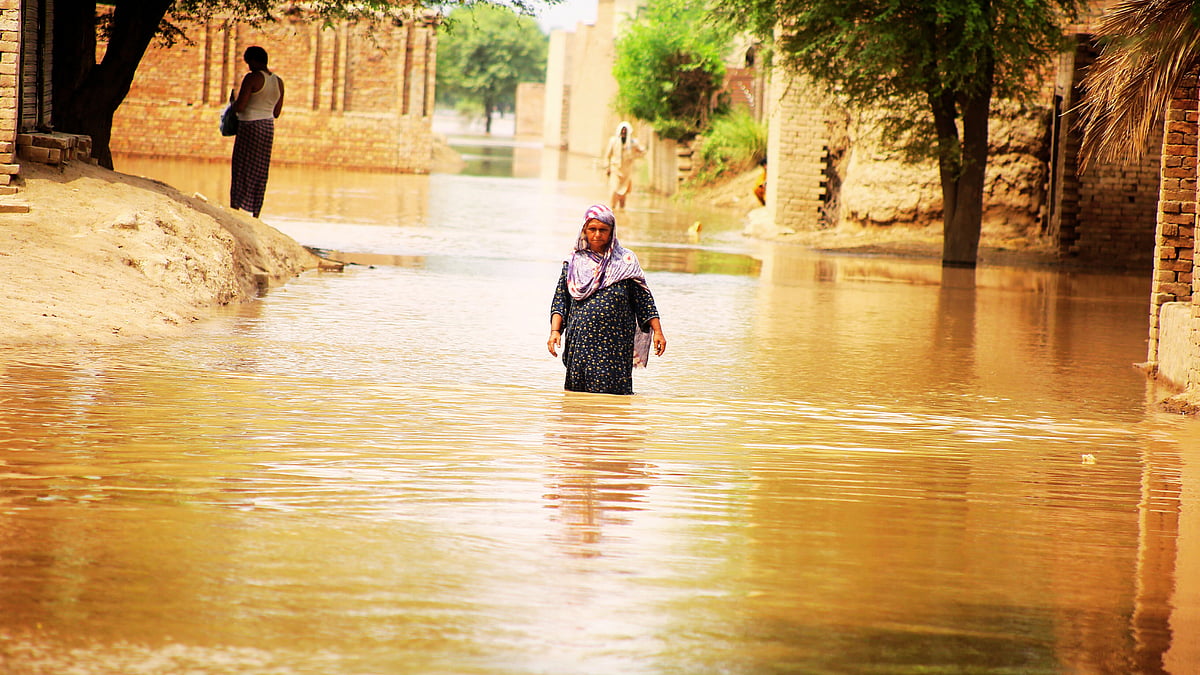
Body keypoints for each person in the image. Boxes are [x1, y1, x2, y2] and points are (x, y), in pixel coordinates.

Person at [548, 204, 667, 395]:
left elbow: (644, 301)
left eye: (603, 230)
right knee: (577, 402)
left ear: (612, 232)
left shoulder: (626, 261)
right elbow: (561, 300)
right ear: (584, 231)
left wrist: (658, 332)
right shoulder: (573, 262)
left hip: (614, 346)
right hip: (580, 343)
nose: (597, 234)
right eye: (592, 229)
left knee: (612, 397)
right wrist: (555, 331)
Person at [230, 46, 285, 218]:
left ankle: (235, 207)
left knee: (241, 167)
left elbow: (240, 107)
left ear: (254, 60)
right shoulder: (278, 82)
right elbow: (276, 113)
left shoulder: (252, 78)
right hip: (267, 128)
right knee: (260, 170)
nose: (248, 66)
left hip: (249, 126)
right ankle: (256, 212)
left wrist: (232, 102)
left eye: (249, 62)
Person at [604, 122, 645, 209]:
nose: (623, 133)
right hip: (615, 170)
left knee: (623, 194)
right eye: (622, 131)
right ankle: (612, 209)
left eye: (625, 132)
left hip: (626, 172)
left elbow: (642, 152)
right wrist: (607, 167)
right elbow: (607, 156)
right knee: (614, 191)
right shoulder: (613, 141)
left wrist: (634, 156)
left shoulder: (633, 142)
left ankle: (621, 212)